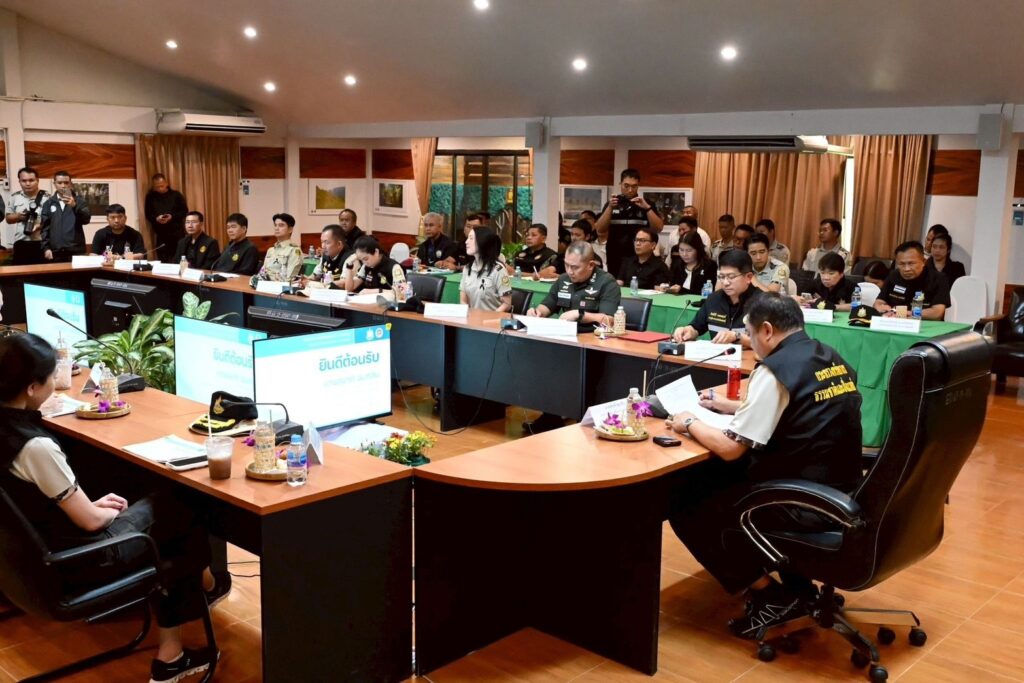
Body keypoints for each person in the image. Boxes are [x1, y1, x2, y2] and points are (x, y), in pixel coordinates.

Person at [0, 334, 227, 682]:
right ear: (32, 388)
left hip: (33, 560)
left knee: (161, 509)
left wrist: (88, 503)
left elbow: (39, 501)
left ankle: (196, 607)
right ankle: (185, 627)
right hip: (82, 559)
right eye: (51, 375)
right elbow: (91, 522)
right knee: (181, 506)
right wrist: (107, 512)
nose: (55, 380)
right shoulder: (36, 447)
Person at [664, 293, 862, 639]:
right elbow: (803, 410)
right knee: (713, 481)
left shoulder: (774, 370)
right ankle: (795, 587)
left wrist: (689, 422)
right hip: (840, 488)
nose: (749, 340)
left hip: (799, 499)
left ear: (767, 330)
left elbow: (730, 449)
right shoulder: (828, 355)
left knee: (687, 502)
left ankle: (772, 596)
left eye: (749, 332)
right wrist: (733, 407)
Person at [672, 249, 761, 347]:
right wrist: (687, 331)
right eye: (721, 277)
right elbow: (696, 328)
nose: (725, 283)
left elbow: (770, 343)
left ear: (748, 277)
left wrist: (737, 337)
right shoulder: (714, 299)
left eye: (731, 277)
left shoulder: (763, 302)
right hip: (718, 355)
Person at [528, 241, 620, 331]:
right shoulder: (563, 279)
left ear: (591, 265)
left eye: (575, 267)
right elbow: (547, 305)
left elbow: (610, 321)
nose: (569, 271)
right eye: (566, 265)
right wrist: (537, 313)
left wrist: (580, 315)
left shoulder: (607, 282)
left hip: (592, 336)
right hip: (565, 333)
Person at [594, 169, 664, 276]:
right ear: (620, 184)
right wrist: (610, 208)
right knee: (616, 283)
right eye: (626, 186)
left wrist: (647, 208)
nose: (630, 190)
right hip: (615, 254)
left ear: (638, 186)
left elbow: (658, 228)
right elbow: (600, 230)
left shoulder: (646, 204)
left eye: (634, 186)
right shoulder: (612, 203)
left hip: (639, 255)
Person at [874, 240, 950, 320]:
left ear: (923, 262)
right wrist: (880, 307)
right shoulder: (893, 276)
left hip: (924, 324)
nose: (906, 269)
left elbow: (937, 313)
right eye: (902, 264)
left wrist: (909, 313)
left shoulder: (938, 279)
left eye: (911, 263)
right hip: (894, 321)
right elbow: (879, 302)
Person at [40, 170, 90, 262]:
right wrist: (46, 248)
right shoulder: (48, 203)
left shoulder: (79, 201)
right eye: (59, 183)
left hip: (76, 251)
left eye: (66, 183)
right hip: (55, 251)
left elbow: (86, 220)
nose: (63, 186)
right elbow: (44, 228)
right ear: (54, 184)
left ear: (70, 183)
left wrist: (74, 206)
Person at [4, 167, 49, 265]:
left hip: (42, 242)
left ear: (37, 180)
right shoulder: (14, 197)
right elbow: (8, 219)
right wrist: (19, 216)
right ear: (19, 181)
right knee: (20, 273)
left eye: (31, 180)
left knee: (43, 273)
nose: (28, 184)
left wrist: (39, 226)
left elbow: (53, 220)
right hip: (21, 243)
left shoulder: (47, 198)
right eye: (24, 181)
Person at [460, 227, 512, 312]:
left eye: (471, 238)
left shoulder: (498, 270)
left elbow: (507, 304)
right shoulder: (467, 268)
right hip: (471, 318)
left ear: (482, 241)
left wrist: (490, 317)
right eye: (467, 238)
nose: (466, 242)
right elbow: (463, 300)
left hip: (492, 318)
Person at [143, 174, 188, 263]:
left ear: (166, 183)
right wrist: (156, 219)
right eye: (157, 187)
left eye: (162, 186)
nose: (160, 188)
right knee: (163, 260)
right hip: (161, 234)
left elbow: (184, 211)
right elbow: (148, 214)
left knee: (179, 259)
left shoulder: (176, 195)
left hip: (177, 233)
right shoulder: (150, 197)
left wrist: (172, 217)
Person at [659, 230, 717, 295]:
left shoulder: (709, 265)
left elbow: (707, 291)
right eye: (681, 250)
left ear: (698, 249)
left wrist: (681, 290)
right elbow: (672, 284)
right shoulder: (677, 264)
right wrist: (668, 288)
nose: (684, 254)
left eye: (689, 250)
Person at [304, 224, 353, 288]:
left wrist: (321, 285)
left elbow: (344, 283)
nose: (323, 246)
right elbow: (315, 275)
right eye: (322, 242)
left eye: (327, 242)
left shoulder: (350, 258)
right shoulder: (325, 256)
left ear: (339, 244)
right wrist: (306, 280)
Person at [260, 213, 304, 281]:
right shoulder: (270, 250)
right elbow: (262, 272)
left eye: (281, 225)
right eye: (275, 225)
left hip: (280, 286)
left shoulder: (294, 250)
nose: (276, 228)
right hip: (264, 284)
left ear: (290, 229)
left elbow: (289, 279)